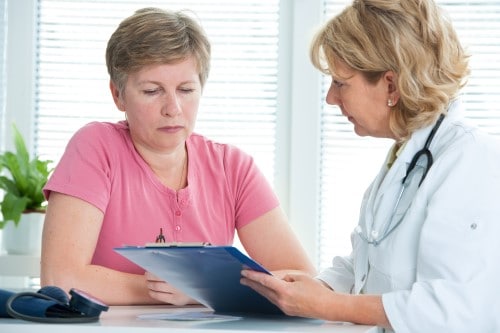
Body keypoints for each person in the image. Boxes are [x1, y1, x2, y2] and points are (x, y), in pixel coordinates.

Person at [240, 0, 500, 331]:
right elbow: (368, 265)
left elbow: (452, 309)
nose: (330, 98)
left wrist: (329, 305)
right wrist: (311, 288)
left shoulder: (472, 162)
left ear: (391, 85)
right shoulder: (407, 157)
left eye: (340, 83)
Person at [40, 7, 315, 305]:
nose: (173, 108)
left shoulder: (233, 167)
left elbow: (302, 280)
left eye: (185, 89)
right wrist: (183, 287)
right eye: (151, 91)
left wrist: (202, 288)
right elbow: (61, 279)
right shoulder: (95, 147)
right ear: (118, 94)